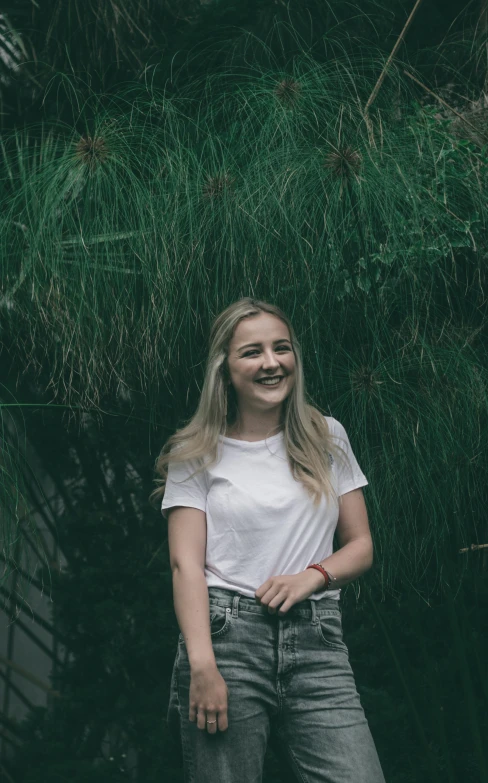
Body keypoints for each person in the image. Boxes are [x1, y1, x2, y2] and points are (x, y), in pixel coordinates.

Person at [153, 297, 386, 782]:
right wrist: (202, 666)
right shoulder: (193, 451)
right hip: (227, 641)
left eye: (282, 348)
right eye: (252, 352)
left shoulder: (327, 436)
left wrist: (313, 577)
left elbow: (360, 544)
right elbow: (185, 566)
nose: (271, 362)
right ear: (226, 368)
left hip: (318, 640)